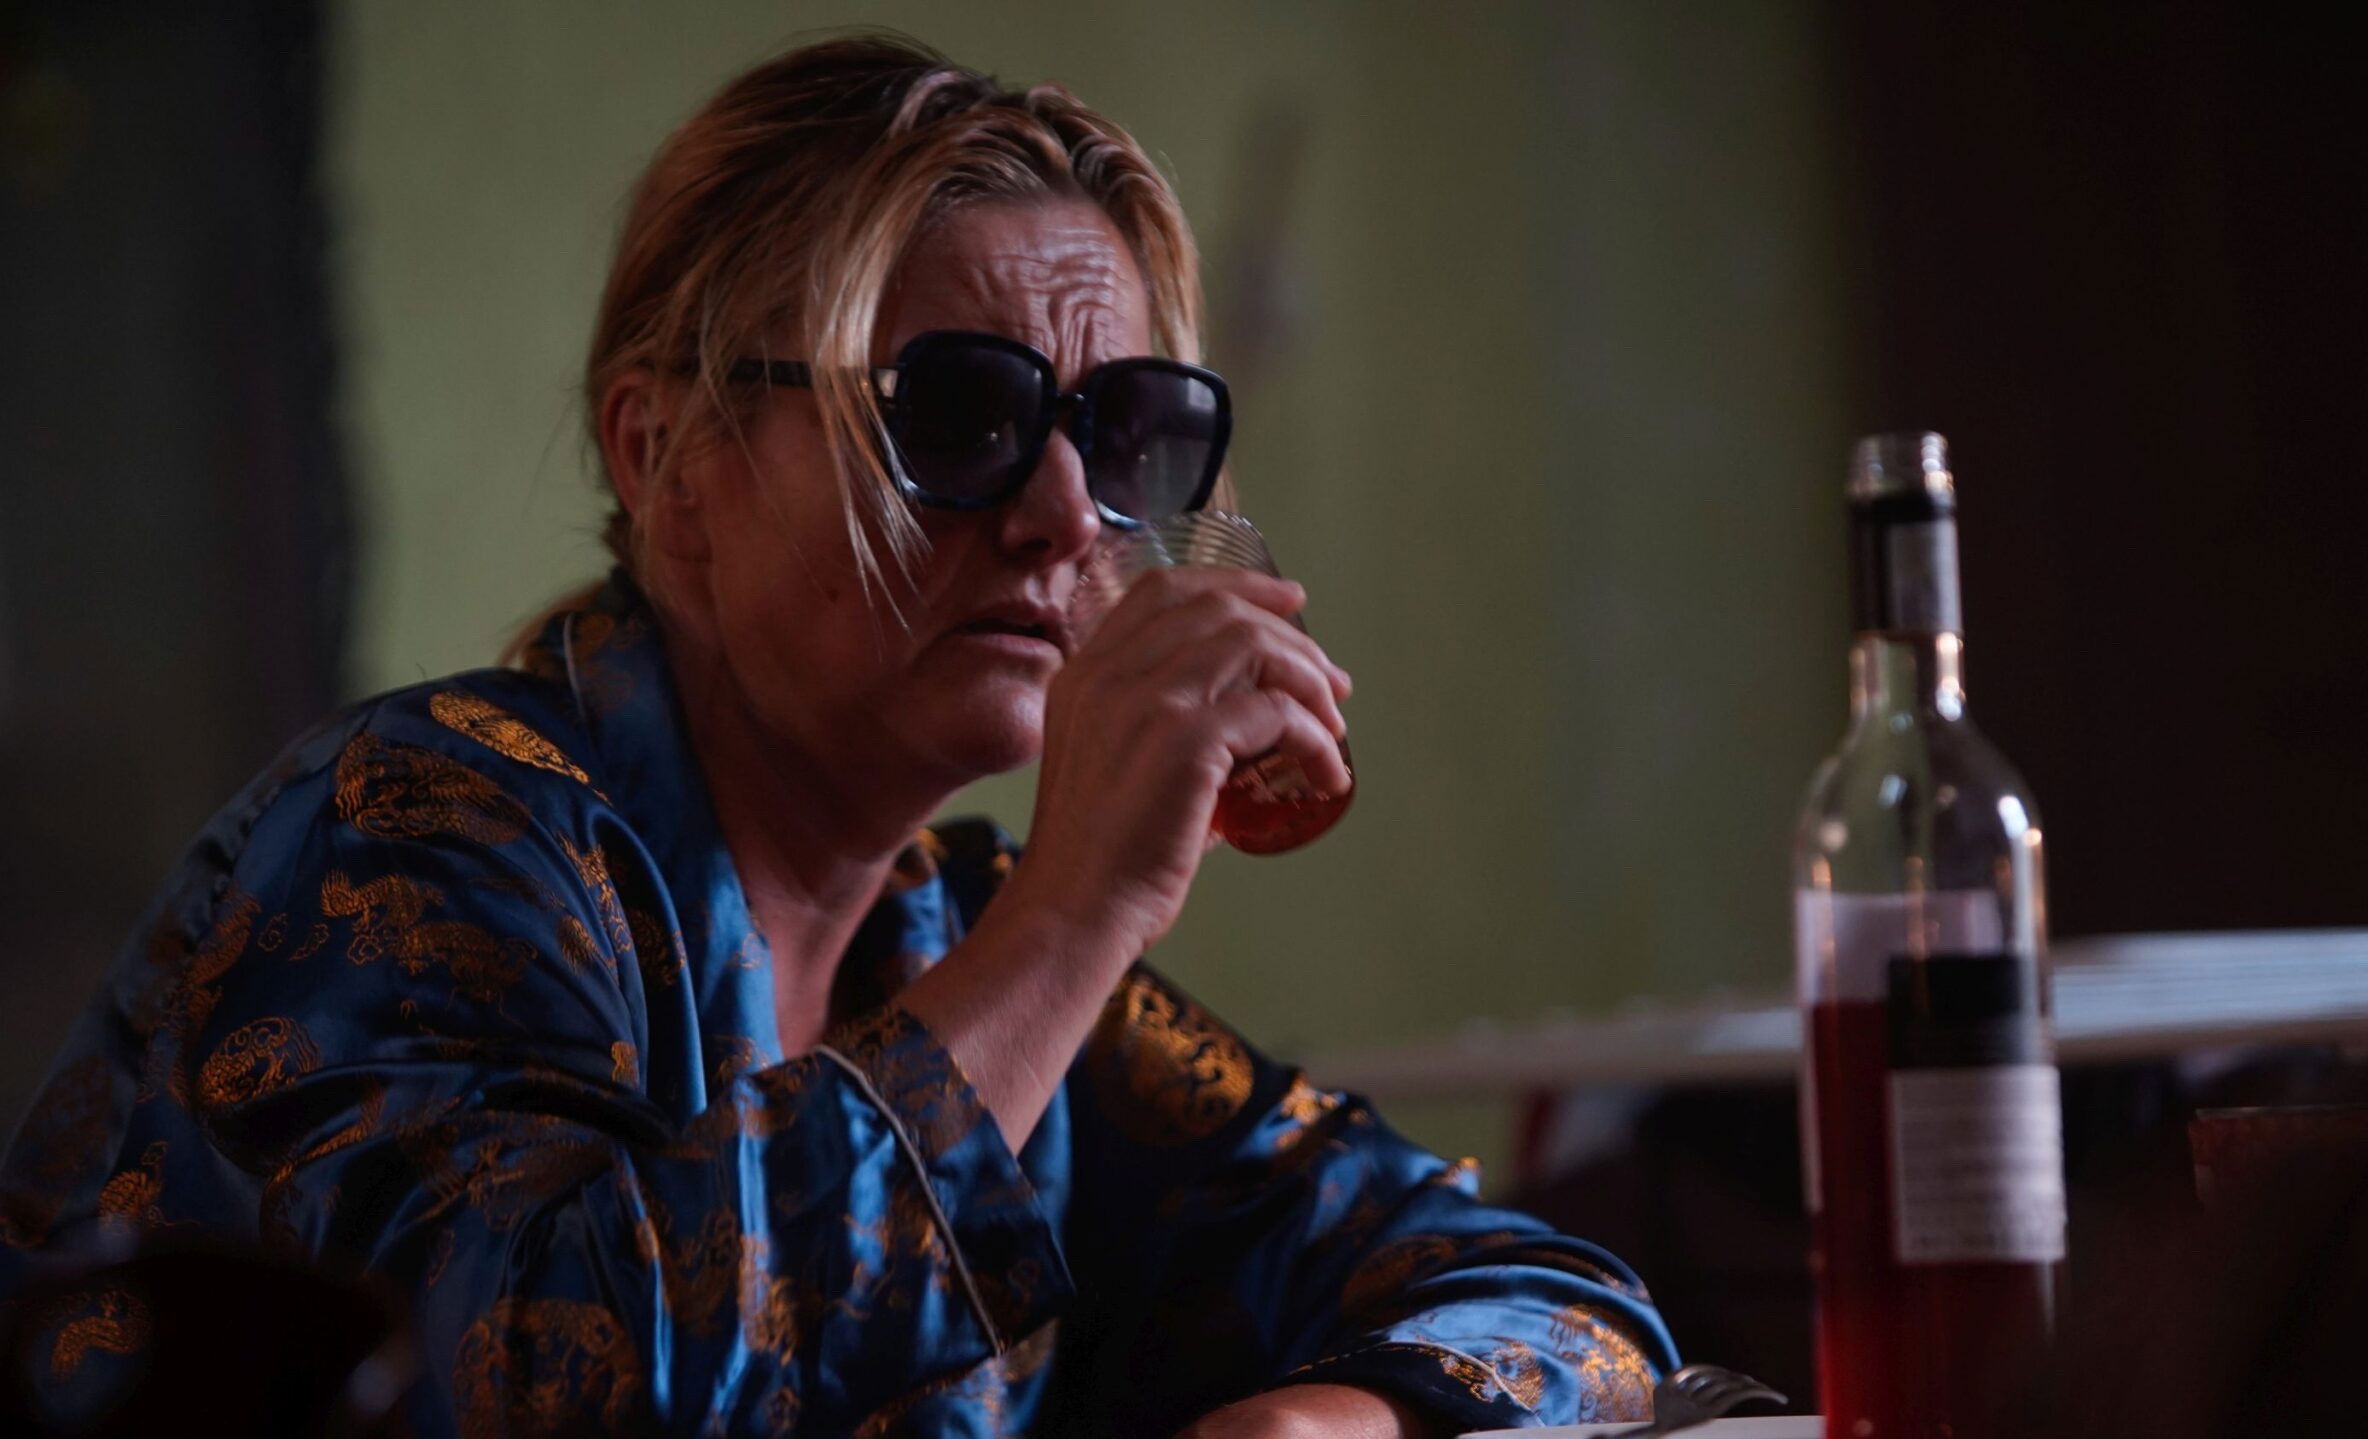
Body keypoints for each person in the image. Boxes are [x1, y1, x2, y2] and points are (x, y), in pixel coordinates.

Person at [0, 34, 1675, 1437]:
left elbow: (1563, 1306)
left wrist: (1329, 1425)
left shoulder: (959, 935)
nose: (1063, 517)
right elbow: (543, 1387)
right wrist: (1077, 915)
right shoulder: (416, 828)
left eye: (1126, 433)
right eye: (958, 414)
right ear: (665, 458)